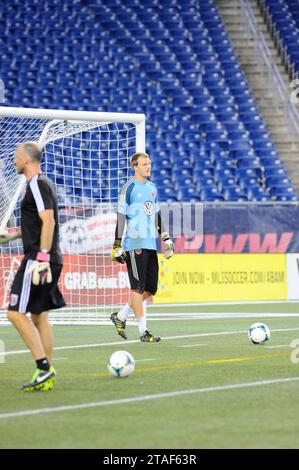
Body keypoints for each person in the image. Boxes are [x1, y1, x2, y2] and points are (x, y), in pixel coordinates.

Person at [0, 142, 65, 391]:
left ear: (27, 159)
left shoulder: (36, 183)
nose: (14, 160)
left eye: (17, 155)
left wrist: (42, 259)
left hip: (40, 258)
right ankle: (45, 373)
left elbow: (47, 221)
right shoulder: (41, 184)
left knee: (15, 313)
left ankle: (44, 367)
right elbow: (39, 223)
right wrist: (13, 235)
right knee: (39, 317)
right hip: (50, 257)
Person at [111, 152, 174, 342]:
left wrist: (166, 238)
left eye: (149, 163)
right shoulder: (128, 189)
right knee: (137, 288)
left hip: (149, 243)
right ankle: (143, 332)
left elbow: (156, 216)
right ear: (135, 167)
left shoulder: (152, 188)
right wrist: (117, 245)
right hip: (134, 244)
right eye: (144, 164)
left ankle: (120, 316)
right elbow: (121, 217)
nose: (149, 166)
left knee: (150, 289)